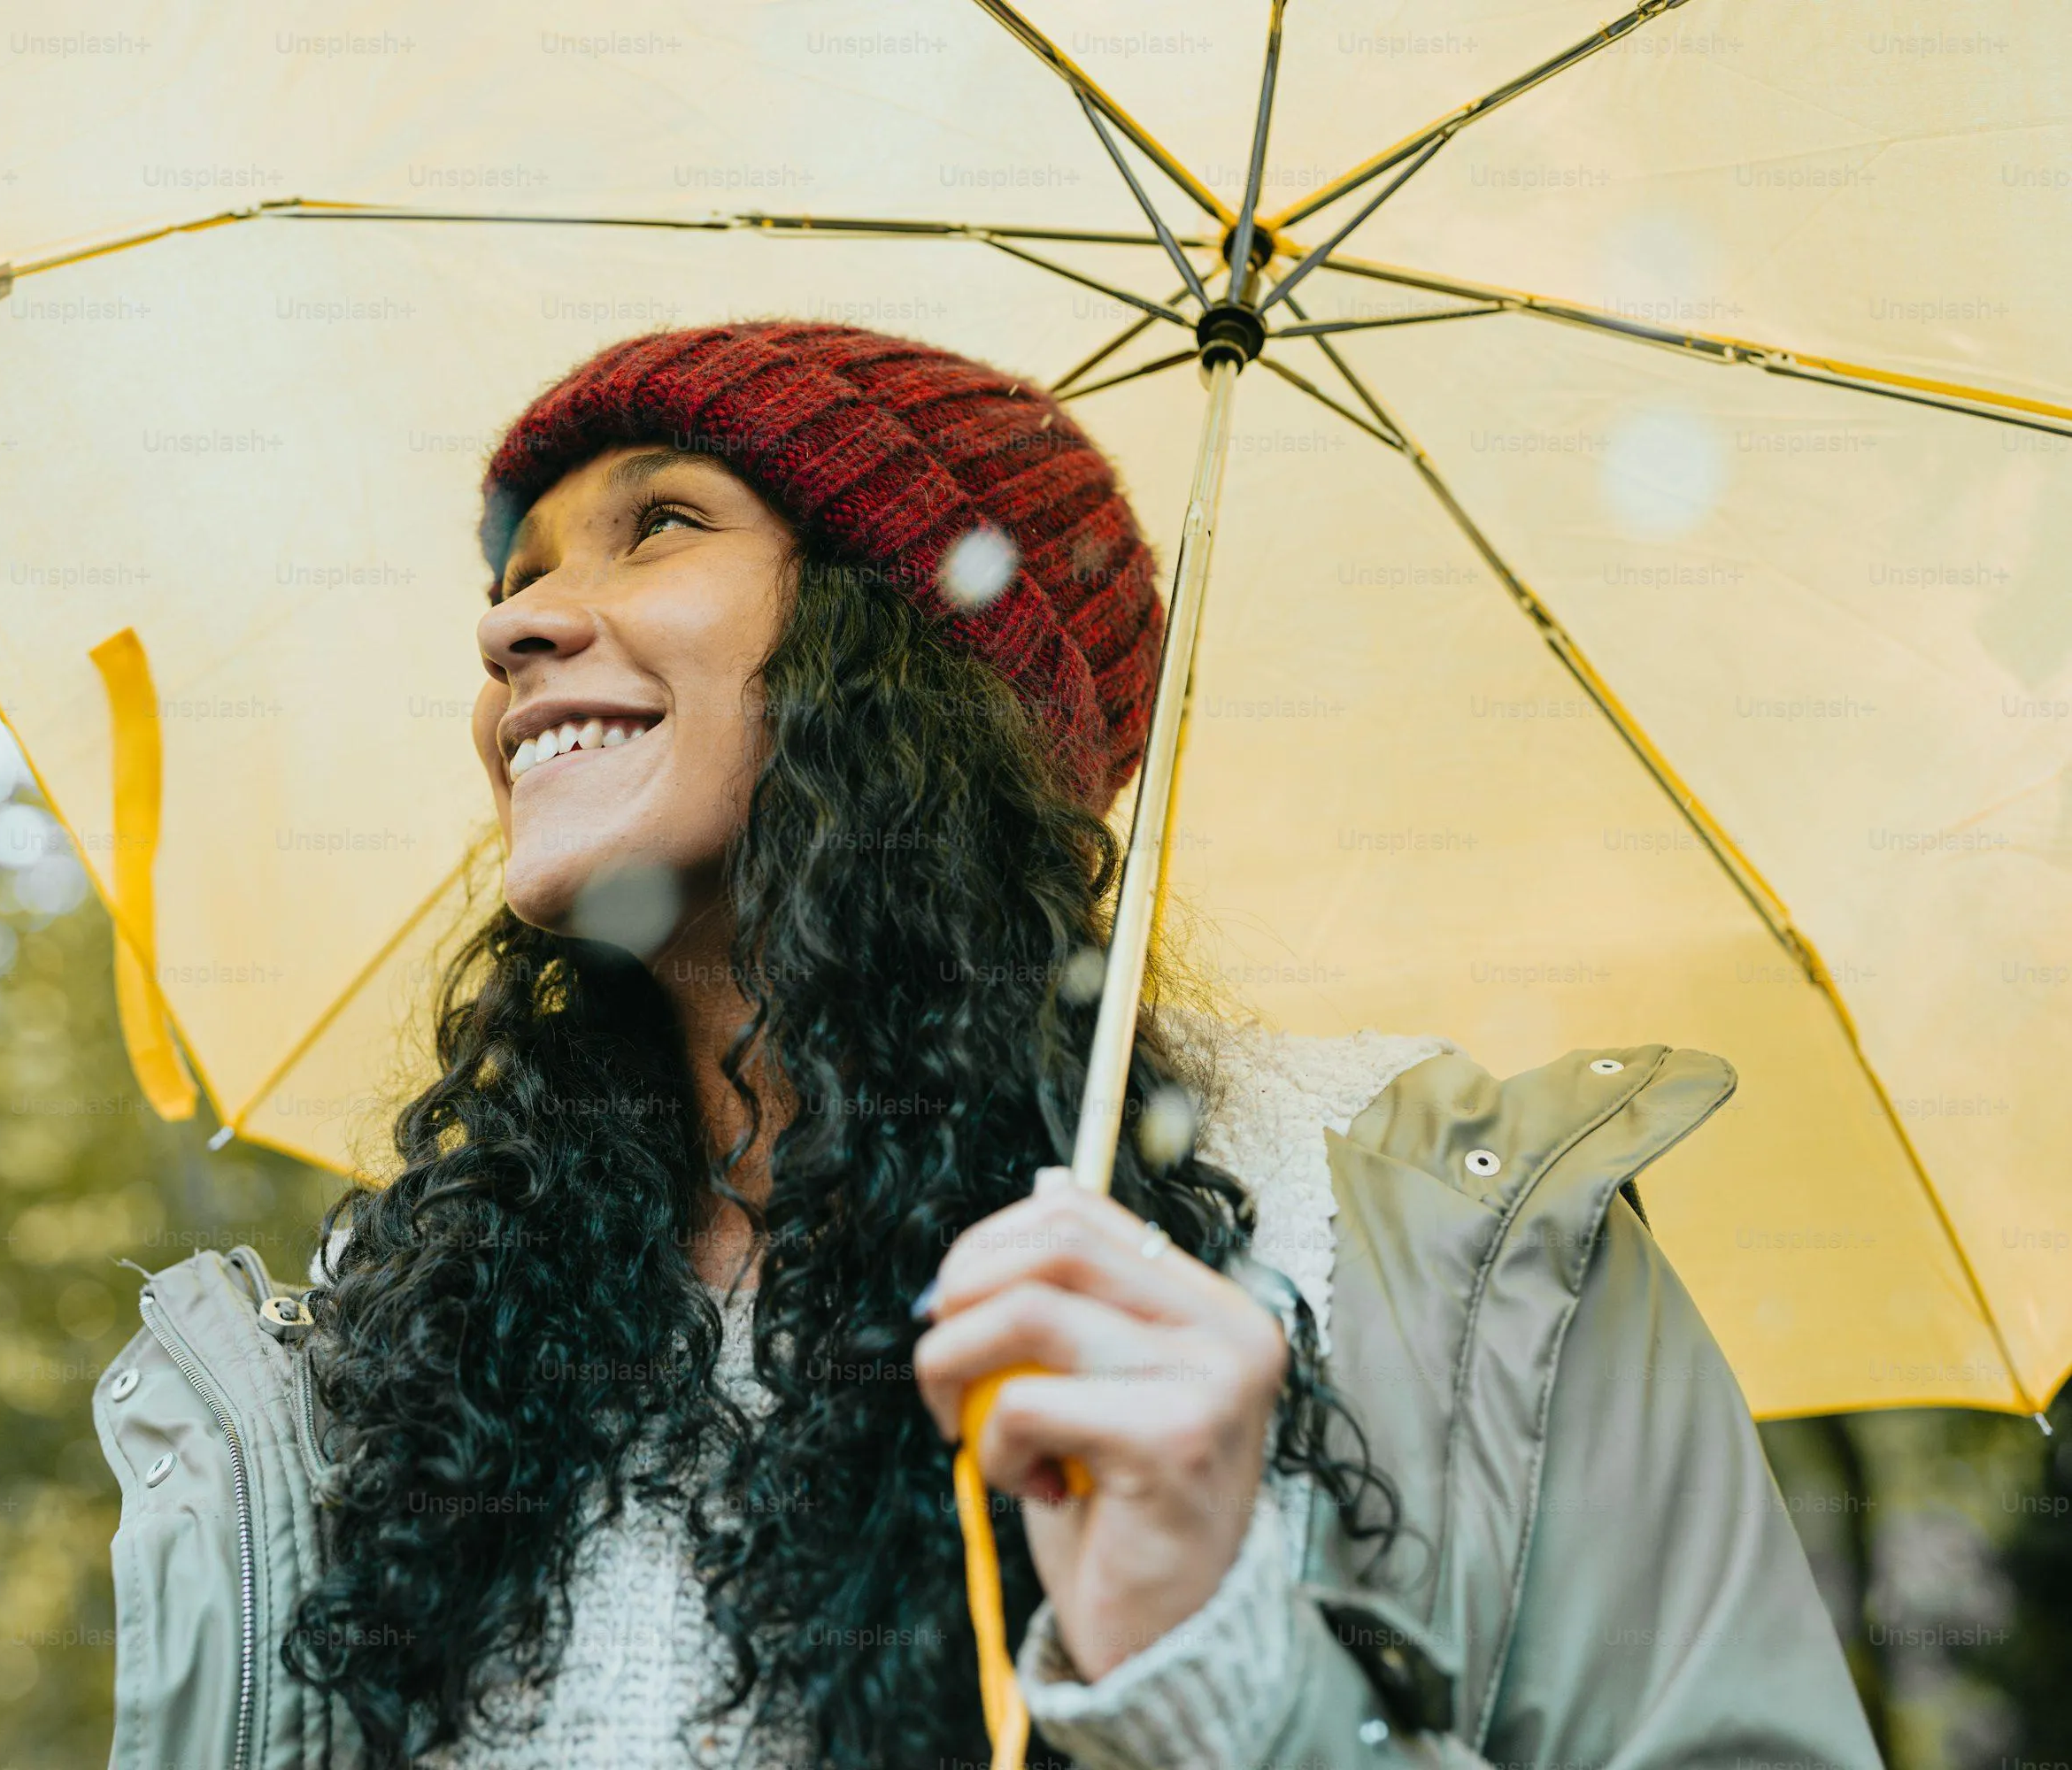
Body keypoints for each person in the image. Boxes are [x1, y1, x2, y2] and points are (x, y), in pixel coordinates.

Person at [92, 322, 1880, 1770]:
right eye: (526, 569)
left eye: (661, 525)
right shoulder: (377, 1368)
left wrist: (1220, 1670)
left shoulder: (1438, 1242)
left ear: (916, 658)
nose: (509, 627)